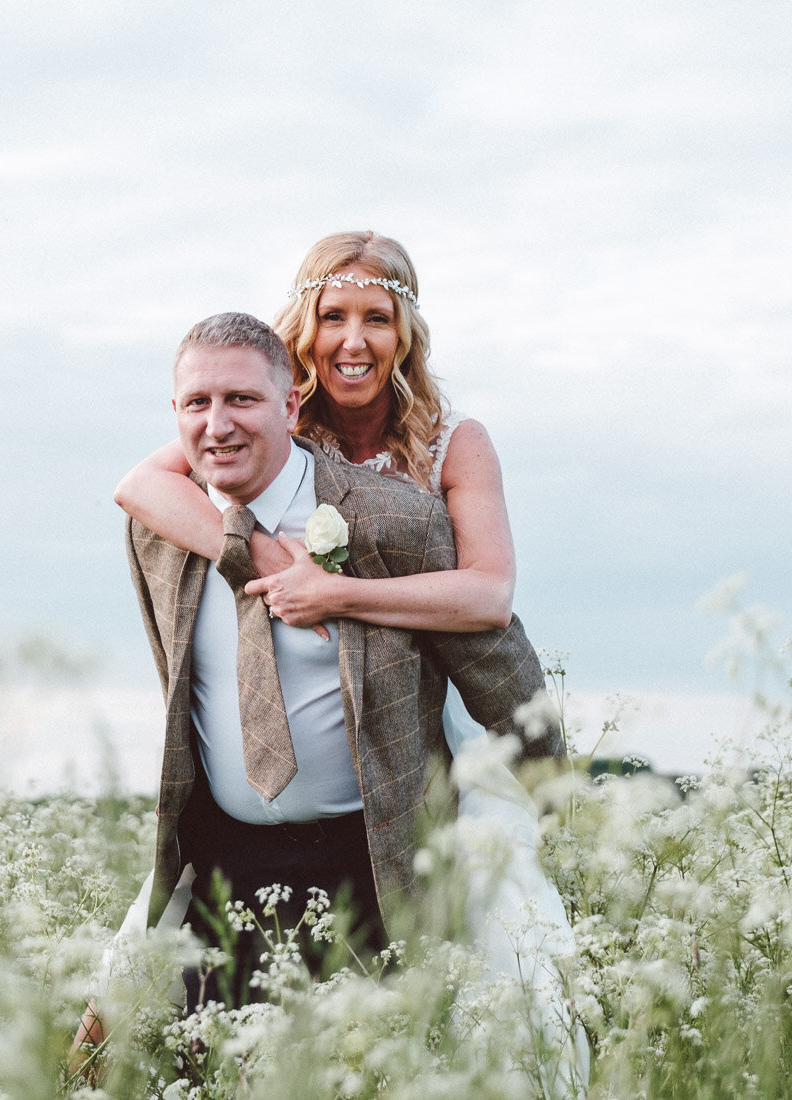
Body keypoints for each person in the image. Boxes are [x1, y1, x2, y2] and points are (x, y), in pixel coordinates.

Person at [104, 233, 588, 1090]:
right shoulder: (252, 422)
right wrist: (262, 557)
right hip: (240, 827)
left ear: (407, 331)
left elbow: (486, 600)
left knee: (480, 990)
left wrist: (334, 593)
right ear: (304, 339)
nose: (353, 340)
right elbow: (141, 485)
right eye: (333, 316)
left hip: (404, 737)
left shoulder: (444, 449)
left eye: (377, 317)